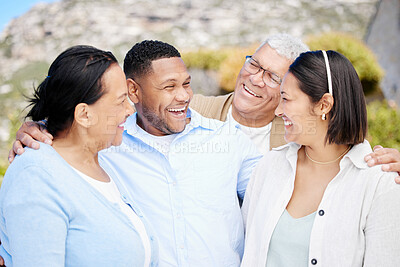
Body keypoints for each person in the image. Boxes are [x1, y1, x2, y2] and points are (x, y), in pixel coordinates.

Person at [10, 34, 400, 179]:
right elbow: (102, 109)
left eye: (272, 77)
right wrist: (40, 126)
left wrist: (392, 165)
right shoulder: (194, 111)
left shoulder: (302, 130)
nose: (253, 78)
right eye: (253, 63)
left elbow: (352, 158)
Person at [0, 45, 158, 266]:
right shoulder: (35, 177)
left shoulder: (101, 159)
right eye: (121, 100)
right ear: (84, 114)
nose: (130, 109)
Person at [241, 50, 400, 266]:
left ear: (324, 105)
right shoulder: (270, 166)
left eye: (286, 99)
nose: (278, 111)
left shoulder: (378, 184)